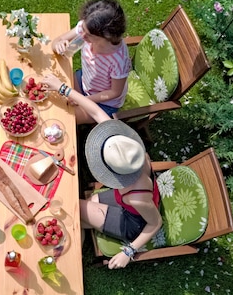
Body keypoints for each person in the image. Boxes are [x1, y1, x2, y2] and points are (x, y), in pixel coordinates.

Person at [42, 74, 162, 269]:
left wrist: (128, 252)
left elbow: (155, 224)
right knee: (78, 214)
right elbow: (96, 111)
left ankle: (72, 263)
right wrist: (62, 88)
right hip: (123, 199)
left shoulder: (137, 197)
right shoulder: (127, 148)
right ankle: (76, 252)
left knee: (72, 209)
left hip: (133, 222)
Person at [51, 0, 131, 123]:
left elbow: (114, 92)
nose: (81, 35)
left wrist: (83, 100)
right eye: (82, 29)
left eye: (88, 35)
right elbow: (57, 41)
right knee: (53, 99)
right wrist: (58, 45)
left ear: (107, 37)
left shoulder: (119, 61)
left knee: (66, 117)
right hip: (84, 81)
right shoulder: (88, 27)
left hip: (104, 103)